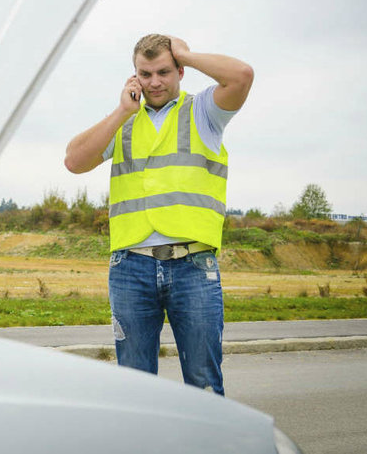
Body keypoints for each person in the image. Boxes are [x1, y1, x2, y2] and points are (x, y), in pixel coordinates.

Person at [64, 34, 253, 396]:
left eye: (164, 71)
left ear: (180, 71)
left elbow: (242, 76)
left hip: (192, 266)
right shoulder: (124, 120)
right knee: (136, 390)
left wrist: (187, 53)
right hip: (130, 268)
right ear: (134, 76)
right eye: (145, 73)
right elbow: (74, 160)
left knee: (204, 386)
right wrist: (122, 111)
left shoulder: (203, 112)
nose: (154, 82)